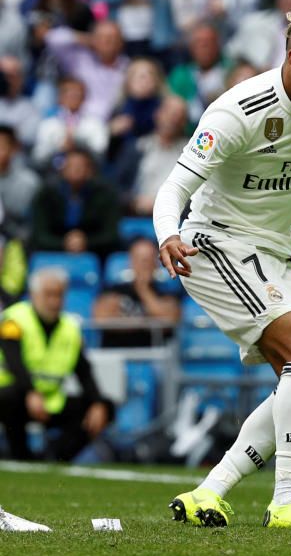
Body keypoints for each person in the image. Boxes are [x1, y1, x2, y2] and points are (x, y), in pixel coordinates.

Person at [153, 7, 291, 529]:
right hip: (214, 244)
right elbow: (173, 188)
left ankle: (210, 490)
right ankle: (288, 499)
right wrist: (167, 234)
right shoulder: (238, 111)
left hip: (272, 248)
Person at [0, 268, 113, 461]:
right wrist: (30, 391)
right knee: (10, 398)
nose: (54, 302)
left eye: (59, 295)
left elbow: (84, 372)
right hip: (14, 395)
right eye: (49, 295)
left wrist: (97, 402)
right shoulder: (14, 320)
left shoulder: (70, 328)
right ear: (34, 295)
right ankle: (20, 456)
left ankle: (56, 457)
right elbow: (14, 363)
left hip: (50, 399)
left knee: (105, 407)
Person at [30, 146, 120, 258]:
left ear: (90, 170)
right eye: (72, 166)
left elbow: (111, 235)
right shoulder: (46, 195)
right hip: (53, 251)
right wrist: (64, 243)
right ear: (62, 169)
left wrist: (86, 242)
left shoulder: (106, 194)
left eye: (81, 166)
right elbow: (39, 234)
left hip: (95, 253)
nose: (76, 170)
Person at [92, 237, 181, 348]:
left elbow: (168, 321)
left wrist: (143, 290)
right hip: (117, 355)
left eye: (148, 259)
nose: (144, 265)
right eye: (140, 259)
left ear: (157, 262)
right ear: (130, 261)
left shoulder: (166, 291)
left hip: (155, 357)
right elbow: (101, 319)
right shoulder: (113, 290)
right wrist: (147, 322)